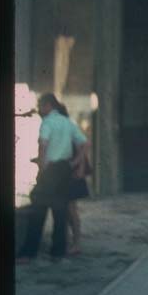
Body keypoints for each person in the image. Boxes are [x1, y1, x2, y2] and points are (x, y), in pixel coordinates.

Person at [16, 93, 88, 263]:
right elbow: (84, 144)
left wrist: (42, 168)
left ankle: (28, 252)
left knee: (38, 209)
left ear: (48, 105)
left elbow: (43, 145)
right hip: (64, 168)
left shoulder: (47, 122)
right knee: (60, 211)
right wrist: (75, 163)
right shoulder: (67, 122)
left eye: (41, 106)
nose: (40, 110)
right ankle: (57, 252)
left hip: (50, 169)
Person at [53, 100, 91, 256]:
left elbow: (82, 146)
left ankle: (76, 244)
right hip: (63, 172)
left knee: (71, 209)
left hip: (72, 173)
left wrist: (80, 168)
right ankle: (69, 242)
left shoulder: (68, 126)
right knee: (65, 208)